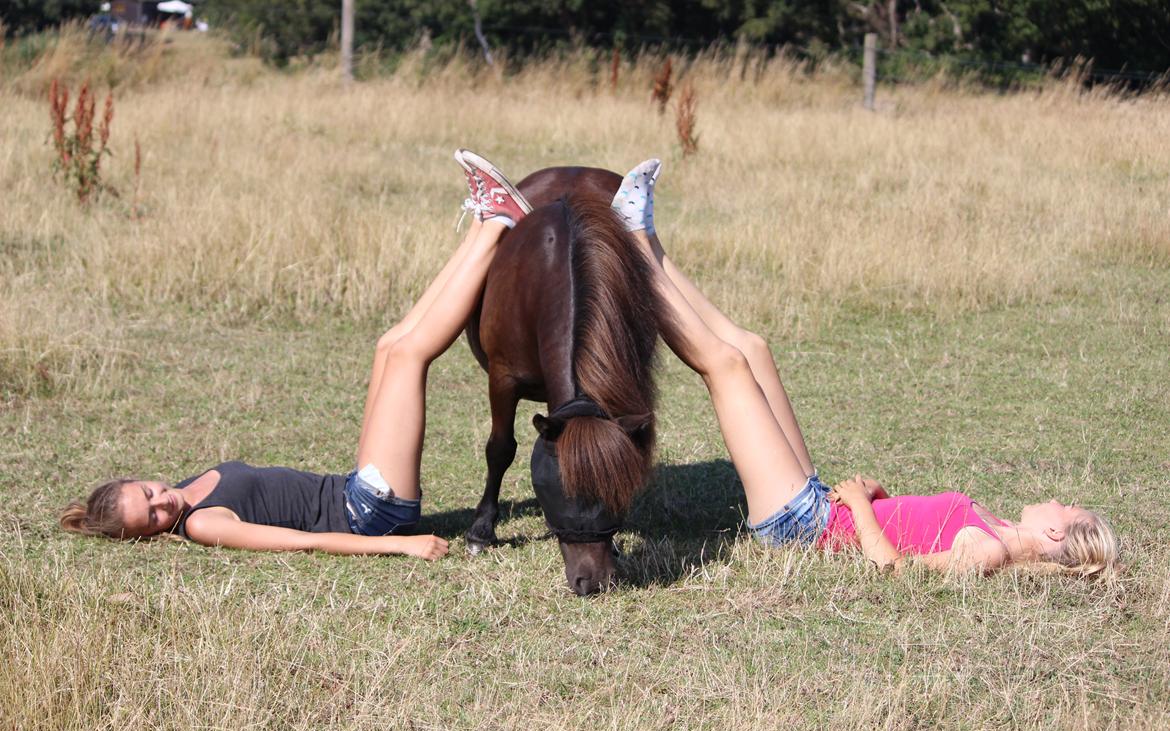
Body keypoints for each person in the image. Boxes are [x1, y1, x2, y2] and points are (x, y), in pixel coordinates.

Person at [609, 159, 1119, 578]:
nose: (1056, 499)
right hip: (821, 506)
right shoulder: (997, 527)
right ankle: (648, 240)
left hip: (802, 526)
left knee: (727, 366)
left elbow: (897, 571)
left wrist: (856, 509)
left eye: (1065, 507)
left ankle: (630, 245)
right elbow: (913, 530)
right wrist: (876, 499)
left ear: (1057, 533)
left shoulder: (990, 553)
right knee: (755, 349)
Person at [60, 150, 533, 562]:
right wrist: (399, 545)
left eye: (148, 493)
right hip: (369, 516)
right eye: (153, 519)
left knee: (388, 346)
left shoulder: (188, 487)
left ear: (138, 479)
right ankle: (499, 223)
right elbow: (298, 542)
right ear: (150, 536)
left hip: (355, 488)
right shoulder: (203, 524)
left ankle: (482, 224)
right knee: (410, 356)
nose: (162, 503)